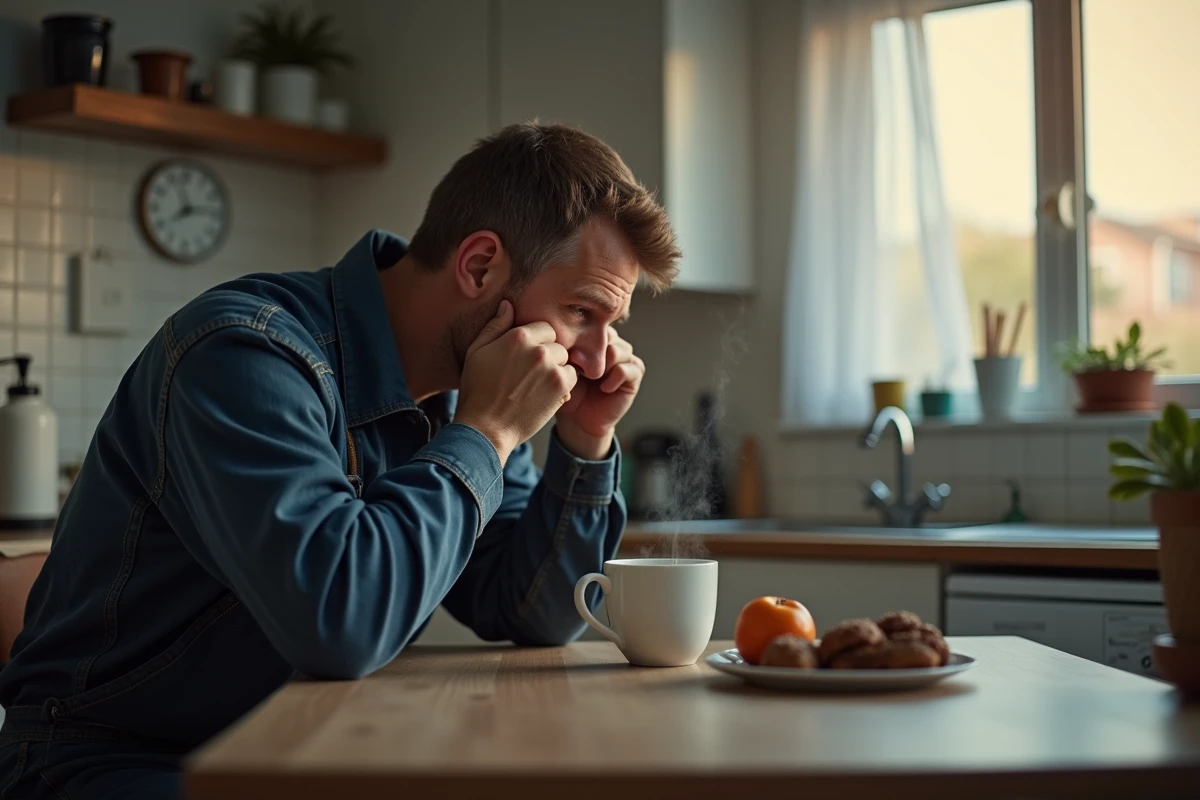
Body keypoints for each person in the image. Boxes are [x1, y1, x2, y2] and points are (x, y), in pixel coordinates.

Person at [0, 122, 680, 799]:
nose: (598, 360)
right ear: (479, 267)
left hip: (297, 749)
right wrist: (488, 433)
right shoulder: (243, 354)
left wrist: (584, 439)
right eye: (581, 311)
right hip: (106, 762)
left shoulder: (461, 399)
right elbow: (339, 623)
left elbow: (530, 609)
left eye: (611, 327)